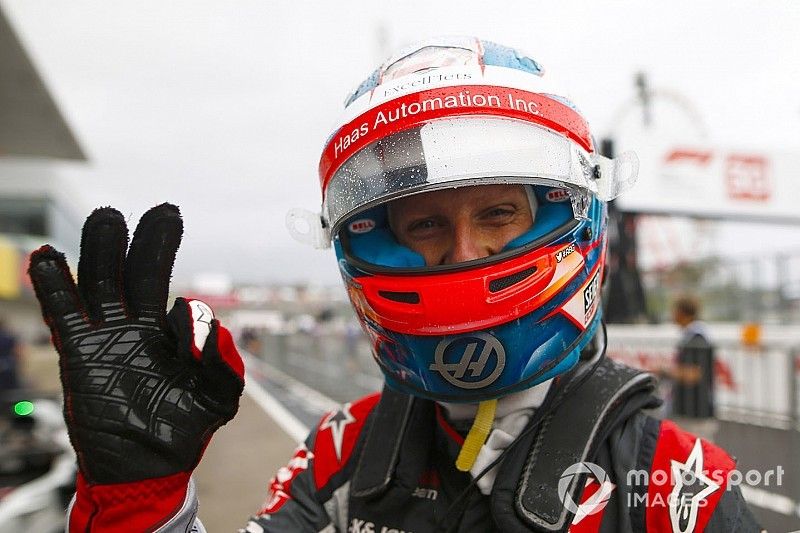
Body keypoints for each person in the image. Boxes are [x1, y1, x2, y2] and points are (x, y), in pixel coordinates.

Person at [27, 37, 761, 532]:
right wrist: (140, 499)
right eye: (426, 227)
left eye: (499, 213)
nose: (464, 252)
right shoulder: (342, 452)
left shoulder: (679, 484)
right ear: (377, 243)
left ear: (575, 217)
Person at [670, 295, 718, 441]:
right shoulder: (693, 337)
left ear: (682, 313)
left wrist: (666, 371)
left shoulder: (697, 339)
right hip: (692, 413)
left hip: (696, 415)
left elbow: (694, 374)